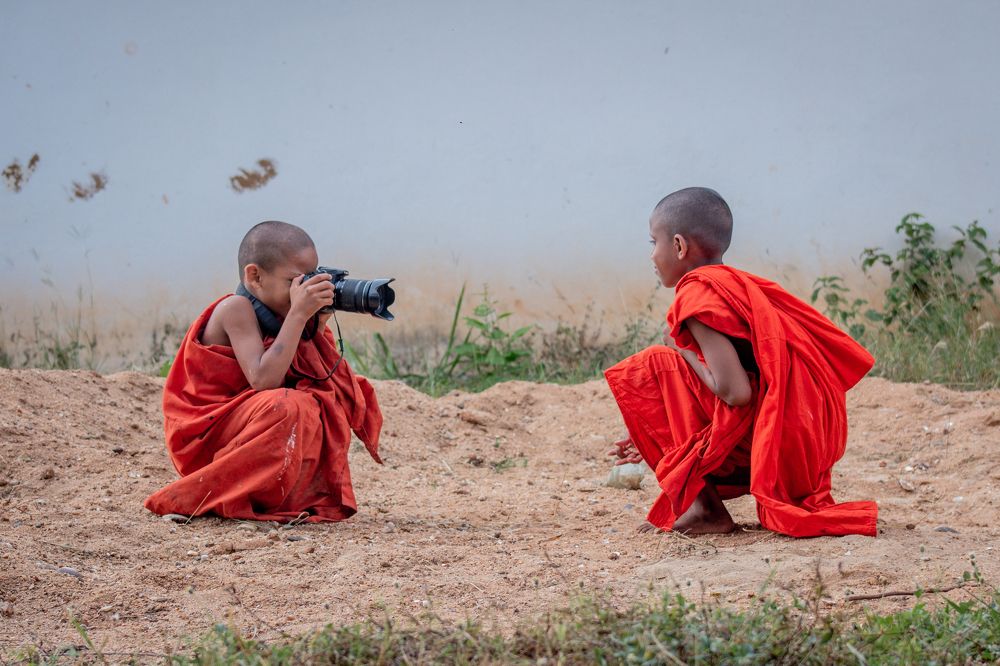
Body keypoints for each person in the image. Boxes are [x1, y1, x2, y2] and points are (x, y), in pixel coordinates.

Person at [605, 188, 877, 537]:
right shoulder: (735, 284)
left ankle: (706, 510)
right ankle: (705, 506)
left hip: (775, 447)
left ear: (678, 246)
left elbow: (736, 393)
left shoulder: (696, 294)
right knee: (670, 365)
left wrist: (680, 349)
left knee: (655, 363)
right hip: (805, 444)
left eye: (652, 242)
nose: (651, 255)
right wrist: (652, 430)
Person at [144, 221, 382, 522]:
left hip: (250, 426)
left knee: (318, 400)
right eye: (295, 281)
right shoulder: (235, 309)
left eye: (310, 278)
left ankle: (274, 498)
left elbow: (310, 369)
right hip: (208, 444)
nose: (303, 290)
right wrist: (298, 314)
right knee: (288, 405)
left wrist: (316, 323)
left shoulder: (285, 316)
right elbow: (264, 380)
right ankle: (213, 494)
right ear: (254, 276)